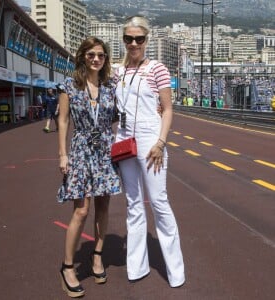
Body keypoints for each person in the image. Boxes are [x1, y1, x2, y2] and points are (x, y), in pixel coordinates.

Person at [113, 15, 185, 288]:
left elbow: (167, 109)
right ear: (123, 40)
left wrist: (160, 142)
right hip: (123, 138)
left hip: (149, 139)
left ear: (147, 40)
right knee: (133, 204)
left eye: (139, 39)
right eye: (129, 39)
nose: (134, 44)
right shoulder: (117, 72)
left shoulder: (157, 68)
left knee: (158, 202)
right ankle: (137, 266)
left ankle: (176, 270)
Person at [57, 36, 121, 298]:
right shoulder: (69, 85)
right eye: (92, 54)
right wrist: (63, 154)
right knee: (81, 210)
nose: (96, 59)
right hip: (81, 149)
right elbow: (62, 121)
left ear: (106, 59)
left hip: (105, 149)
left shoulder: (110, 86)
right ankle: (68, 267)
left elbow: (124, 113)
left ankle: (97, 256)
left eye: (101, 55)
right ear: (83, 56)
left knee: (104, 206)